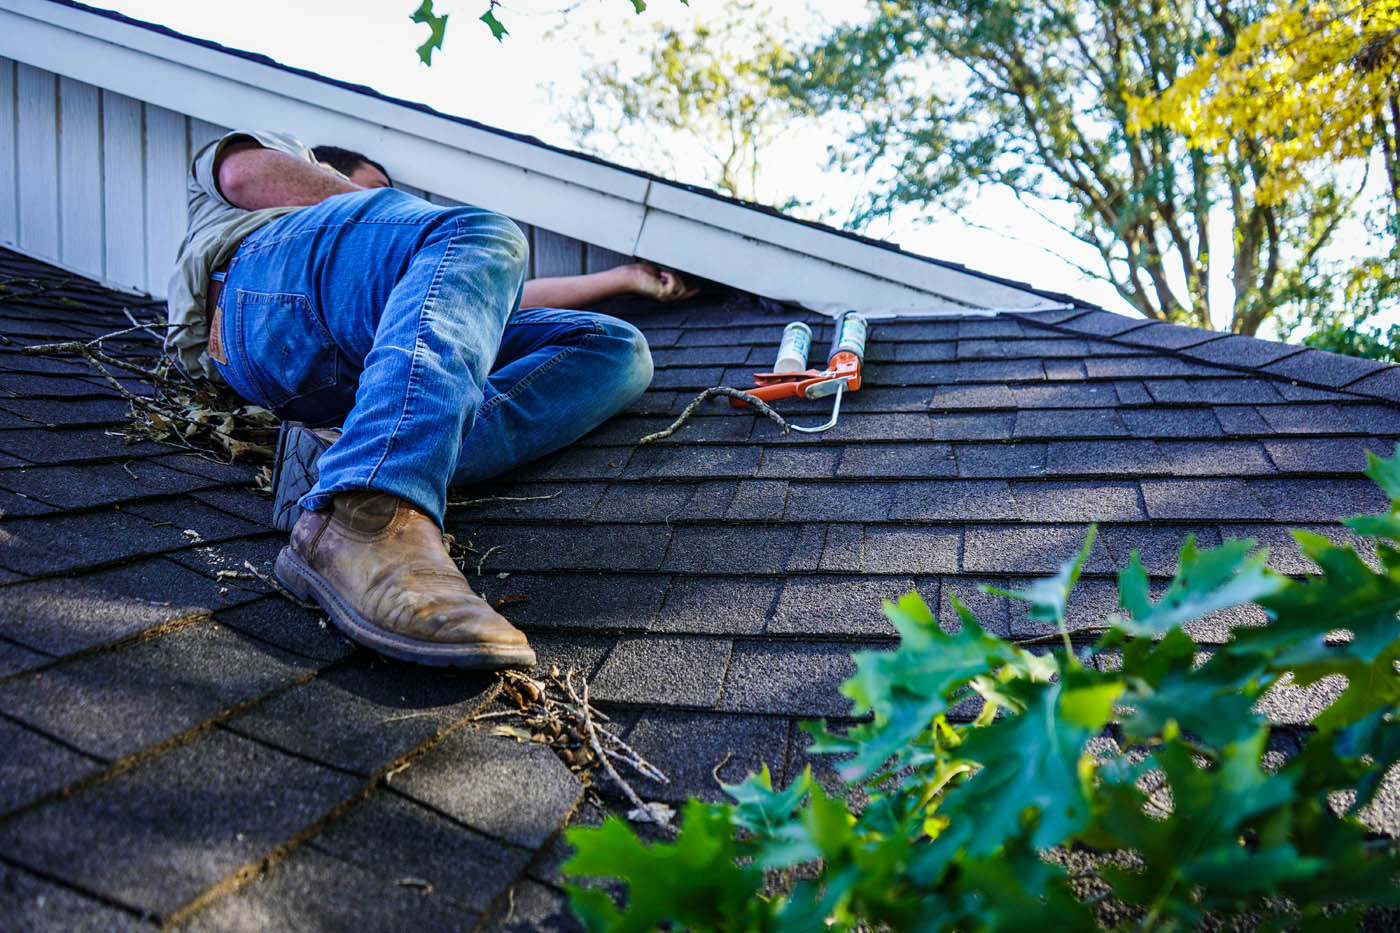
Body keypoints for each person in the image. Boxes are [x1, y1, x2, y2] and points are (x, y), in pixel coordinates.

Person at [167, 130, 693, 671]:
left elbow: (476, 296)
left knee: (616, 347)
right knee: (480, 230)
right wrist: (416, 221)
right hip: (256, 305)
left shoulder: (417, 259)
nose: (387, 205)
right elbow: (241, 174)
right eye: (377, 193)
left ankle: (357, 452)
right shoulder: (280, 161)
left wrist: (625, 278)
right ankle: (365, 516)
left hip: (360, 364)